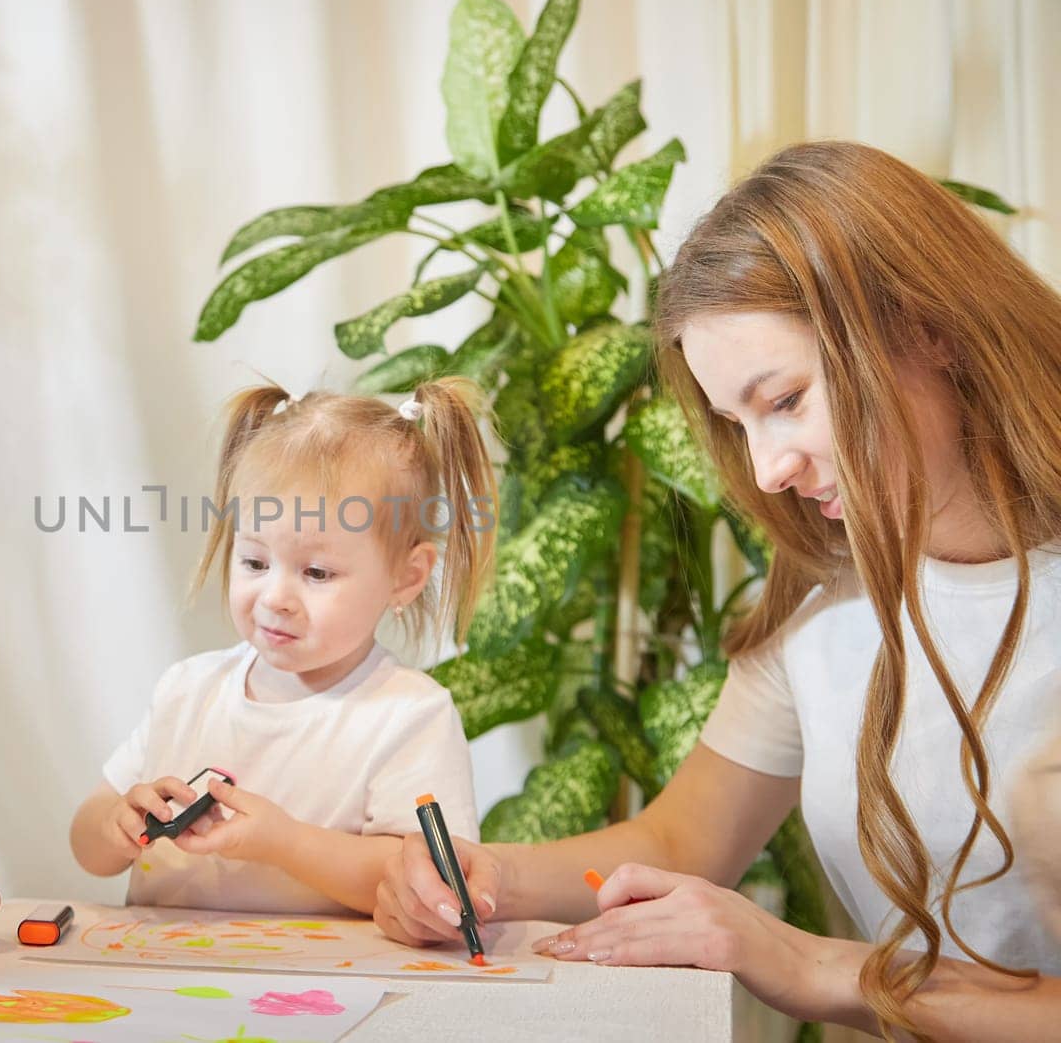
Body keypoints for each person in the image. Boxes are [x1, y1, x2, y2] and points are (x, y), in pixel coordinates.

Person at [374, 142, 1061, 1039]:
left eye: (785, 399)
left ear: (926, 325)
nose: (769, 470)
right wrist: (473, 872)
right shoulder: (824, 616)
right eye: (739, 425)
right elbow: (677, 845)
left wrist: (818, 964)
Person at [71, 379, 495, 914]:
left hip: (325, 992)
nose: (276, 597)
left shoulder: (409, 716)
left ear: (405, 578)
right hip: (168, 981)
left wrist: (285, 844)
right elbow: (86, 846)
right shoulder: (188, 690)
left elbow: (424, 886)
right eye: (254, 562)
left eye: (316, 572)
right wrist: (116, 826)